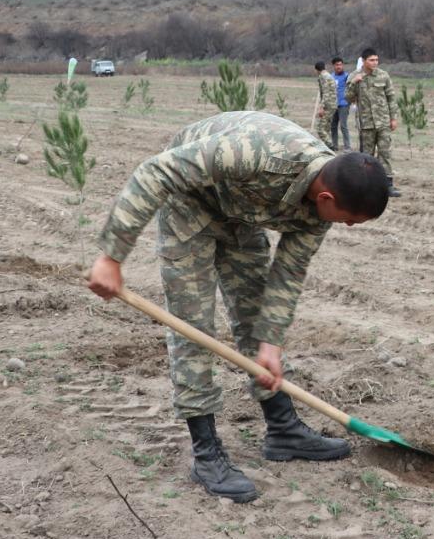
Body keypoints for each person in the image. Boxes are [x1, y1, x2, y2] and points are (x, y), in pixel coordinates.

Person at [86, 112, 390, 502]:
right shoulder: (254, 154)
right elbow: (155, 172)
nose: (346, 227)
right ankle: (206, 454)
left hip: (238, 212)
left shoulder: (325, 200)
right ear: (327, 197)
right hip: (190, 205)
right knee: (193, 326)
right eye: (349, 221)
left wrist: (271, 344)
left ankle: (283, 430)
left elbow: (288, 273)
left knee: (255, 312)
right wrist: (111, 256)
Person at [346, 48, 400, 198]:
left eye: (376, 60)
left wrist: (393, 118)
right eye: (371, 60)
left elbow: (391, 98)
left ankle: (387, 185)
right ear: (363, 61)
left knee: (385, 153)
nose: (375, 62)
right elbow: (348, 98)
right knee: (366, 157)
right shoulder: (354, 76)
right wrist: (354, 84)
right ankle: (366, 185)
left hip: (383, 122)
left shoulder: (383, 76)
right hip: (366, 123)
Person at [329, 57, 352, 151]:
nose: (339, 66)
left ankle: (347, 147)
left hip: (344, 104)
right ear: (334, 66)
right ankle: (334, 145)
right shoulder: (331, 76)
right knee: (333, 126)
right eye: (337, 65)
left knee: (343, 125)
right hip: (333, 104)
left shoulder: (347, 76)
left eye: (340, 64)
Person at [313, 61, 337, 148]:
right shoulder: (329, 75)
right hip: (333, 104)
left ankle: (330, 146)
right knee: (326, 128)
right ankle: (327, 146)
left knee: (320, 129)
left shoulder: (323, 77)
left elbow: (326, 92)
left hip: (328, 105)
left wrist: (322, 107)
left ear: (316, 69)